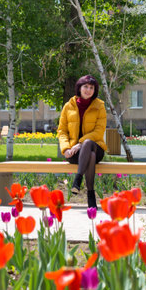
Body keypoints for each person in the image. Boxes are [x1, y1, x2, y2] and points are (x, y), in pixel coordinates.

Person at [57, 75, 107, 208]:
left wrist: (81, 143)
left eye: (91, 87)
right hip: (74, 153)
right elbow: (62, 131)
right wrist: (66, 148)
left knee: (88, 145)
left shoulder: (99, 106)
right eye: (85, 86)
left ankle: (77, 179)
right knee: (89, 156)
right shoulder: (68, 106)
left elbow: (99, 131)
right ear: (79, 88)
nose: (88, 90)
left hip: (96, 147)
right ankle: (91, 195)